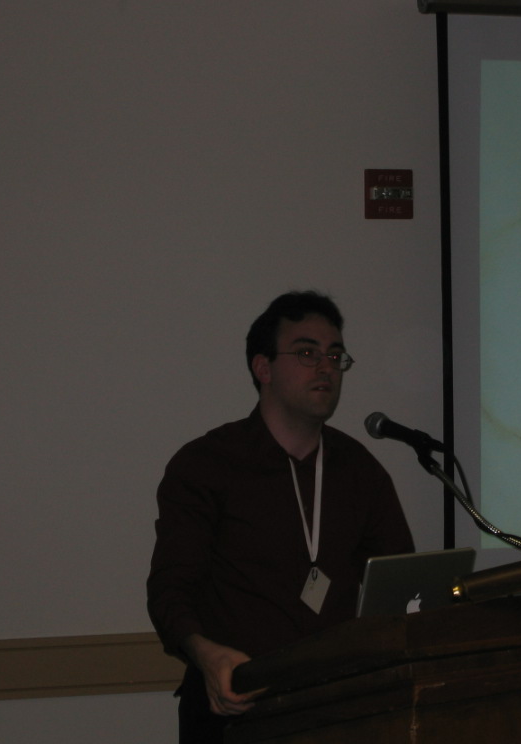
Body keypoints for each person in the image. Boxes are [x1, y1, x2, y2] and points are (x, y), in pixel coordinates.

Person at [147, 290, 415, 744]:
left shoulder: (360, 471)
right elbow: (170, 590)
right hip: (238, 707)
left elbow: (401, 586)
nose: (326, 367)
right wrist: (206, 654)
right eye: (307, 353)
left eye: (335, 355)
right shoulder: (208, 464)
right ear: (263, 368)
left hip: (339, 709)